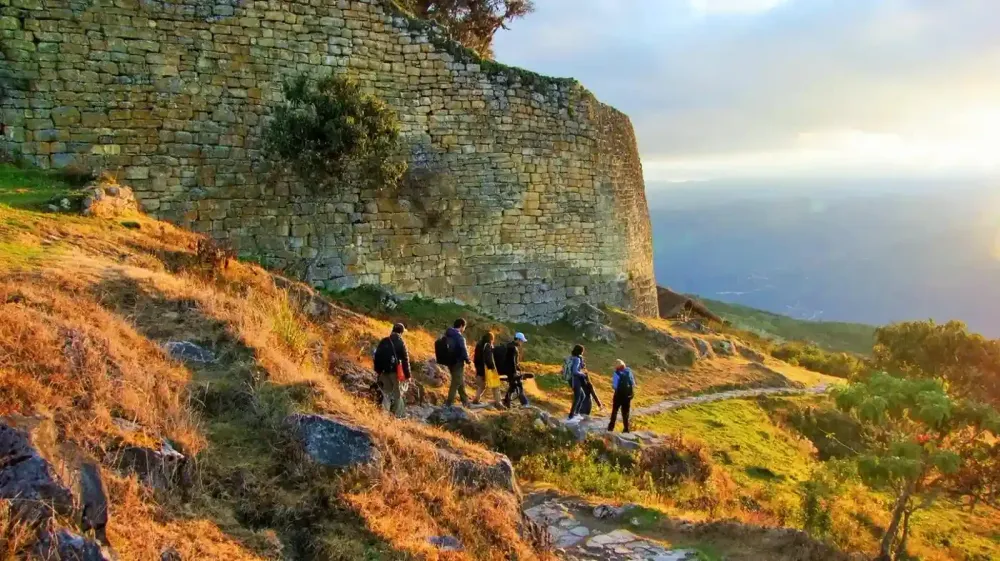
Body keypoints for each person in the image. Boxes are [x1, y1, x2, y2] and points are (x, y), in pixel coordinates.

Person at [375, 323, 411, 417]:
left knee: (386, 394)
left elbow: (377, 356)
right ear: (401, 332)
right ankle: (396, 416)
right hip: (396, 373)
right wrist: (408, 375)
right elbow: (405, 360)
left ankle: (383, 414)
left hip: (384, 371)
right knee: (397, 395)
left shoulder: (384, 341)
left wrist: (378, 370)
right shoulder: (401, 342)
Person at [444, 318, 472, 408]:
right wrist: (467, 360)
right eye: (464, 327)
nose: (464, 329)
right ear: (461, 326)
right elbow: (463, 349)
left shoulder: (448, 334)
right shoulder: (459, 337)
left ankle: (465, 401)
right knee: (456, 382)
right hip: (458, 362)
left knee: (460, 381)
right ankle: (448, 403)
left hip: (449, 361)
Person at [500, 332, 529, 409]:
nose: (522, 343)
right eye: (522, 341)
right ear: (518, 340)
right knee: (518, 386)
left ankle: (507, 401)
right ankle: (525, 403)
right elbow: (512, 362)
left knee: (513, 386)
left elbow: (513, 362)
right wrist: (515, 372)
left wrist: (518, 368)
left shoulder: (510, 346)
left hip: (508, 370)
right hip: (510, 371)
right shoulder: (513, 348)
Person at [473, 332, 501, 406]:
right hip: (487, 369)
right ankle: (499, 403)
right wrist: (492, 367)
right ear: (491, 339)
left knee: (482, 385)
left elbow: (476, 359)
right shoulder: (487, 345)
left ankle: (476, 399)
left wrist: (478, 369)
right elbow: (488, 358)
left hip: (479, 368)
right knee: (495, 386)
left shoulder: (479, 345)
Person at [608, 360, 635, 433]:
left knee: (615, 411)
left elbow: (614, 386)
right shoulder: (628, 371)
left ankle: (611, 427)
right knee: (625, 412)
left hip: (618, 395)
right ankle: (626, 428)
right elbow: (633, 383)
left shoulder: (616, 373)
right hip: (627, 396)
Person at [567, 344, 588, 419]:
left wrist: (582, 364)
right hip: (575, 380)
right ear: (580, 351)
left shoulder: (571, 357)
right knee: (578, 397)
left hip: (570, 379)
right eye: (582, 351)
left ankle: (575, 413)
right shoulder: (577, 359)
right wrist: (582, 374)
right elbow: (575, 371)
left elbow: (578, 367)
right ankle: (571, 416)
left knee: (582, 396)